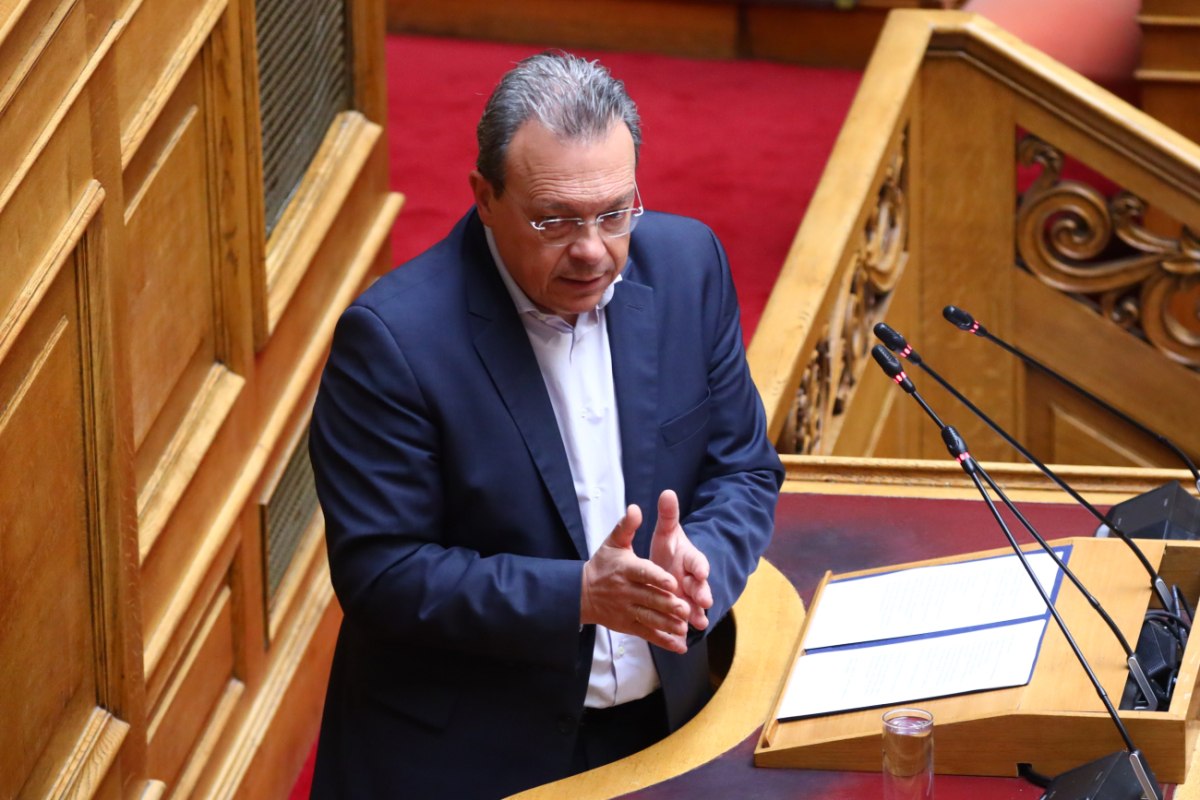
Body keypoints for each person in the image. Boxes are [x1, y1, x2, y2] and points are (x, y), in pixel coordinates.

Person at [308, 50, 784, 799]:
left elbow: (743, 468)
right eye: (555, 220)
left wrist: (705, 563)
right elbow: (383, 574)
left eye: (615, 213)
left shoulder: (689, 267)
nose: (592, 249)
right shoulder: (394, 341)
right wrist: (578, 595)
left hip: (668, 726)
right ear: (485, 197)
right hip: (474, 757)